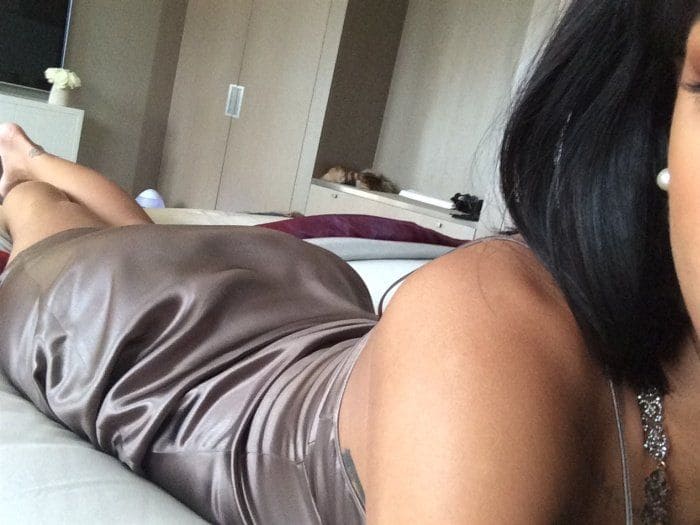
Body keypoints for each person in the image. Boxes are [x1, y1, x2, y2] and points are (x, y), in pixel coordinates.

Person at [1, 1, 700, 523]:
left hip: (289, 309)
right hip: (147, 342)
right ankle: (24, 168)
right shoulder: (491, 335)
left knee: (148, 243)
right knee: (49, 226)